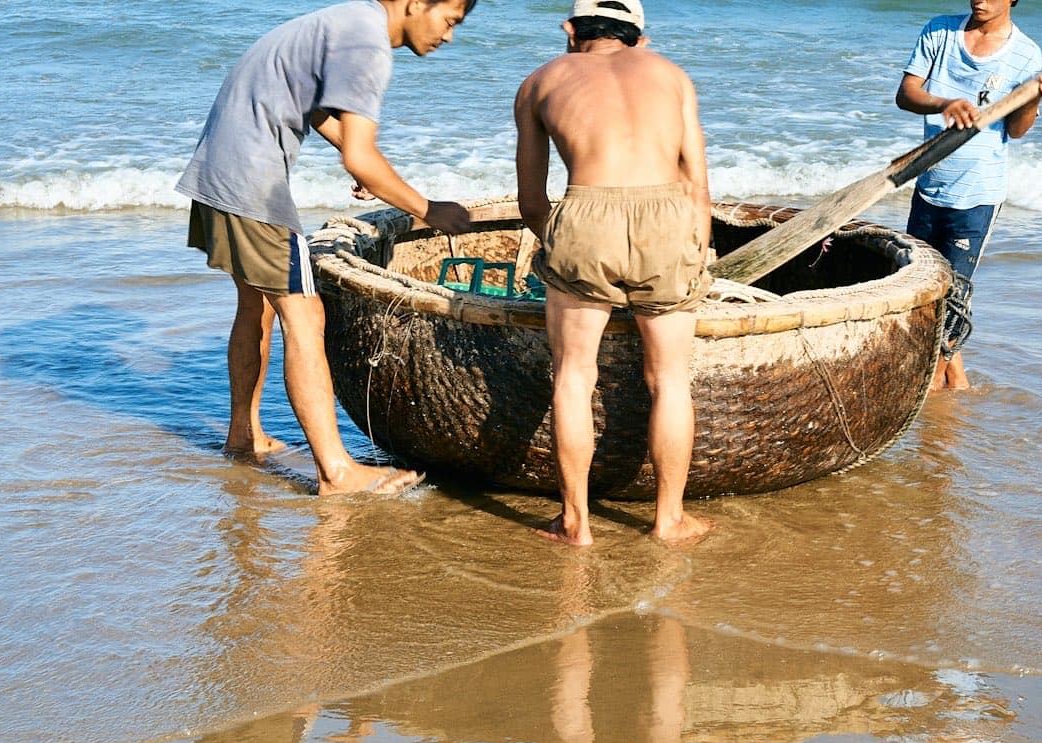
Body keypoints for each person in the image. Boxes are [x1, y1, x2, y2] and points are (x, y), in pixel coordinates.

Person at [176, 0, 476, 495]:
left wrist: (358, 161)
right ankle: (336, 471)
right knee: (305, 314)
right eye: (449, 20)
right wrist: (426, 208)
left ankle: (242, 436)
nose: (448, 35)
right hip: (252, 180)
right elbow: (363, 154)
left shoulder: (345, 20)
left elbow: (313, 107)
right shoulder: (369, 43)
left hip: (217, 165)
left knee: (258, 306)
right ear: (416, 4)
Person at [514, 0, 714, 545]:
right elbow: (696, 181)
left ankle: (575, 522)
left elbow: (532, 200)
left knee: (574, 376)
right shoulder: (673, 76)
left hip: (585, 211)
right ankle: (669, 519)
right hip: (668, 216)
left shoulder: (540, 81)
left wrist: (562, 244)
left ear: (569, 29)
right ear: (640, 39)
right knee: (670, 379)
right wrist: (697, 243)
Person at [896, 0, 1042, 391]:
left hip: (977, 194)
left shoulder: (1025, 54)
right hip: (928, 182)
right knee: (923, 294)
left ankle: (934, 399)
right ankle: (959, 387)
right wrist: (944, 103)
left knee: (951, 301)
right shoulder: (940, 30)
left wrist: (1034, 96)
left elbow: (1018, 130)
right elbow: (906, 94)